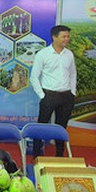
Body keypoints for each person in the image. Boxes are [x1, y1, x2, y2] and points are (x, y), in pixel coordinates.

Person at [30, 25, 77, 157]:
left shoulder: (69, 54)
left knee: (61, 128)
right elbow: (34, 77)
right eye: (64, 36)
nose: (66, 39)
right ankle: (36, 155)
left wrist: (72, 92)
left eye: (68, 36)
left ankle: (59, 155)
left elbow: (73, 74)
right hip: (49, 95)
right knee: (41, 126)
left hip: (66, 96)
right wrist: (42, 95)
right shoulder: (43, 54)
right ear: (54, 37)